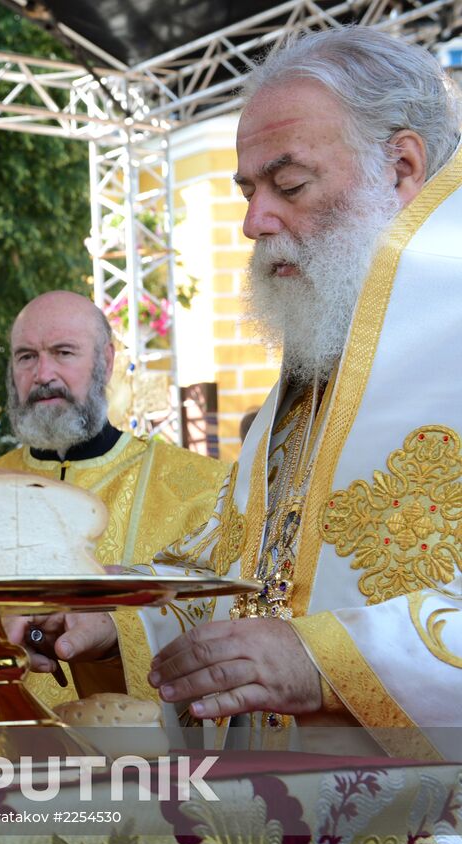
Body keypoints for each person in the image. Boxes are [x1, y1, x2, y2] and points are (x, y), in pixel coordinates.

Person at [31, 26, 462, 758]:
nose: (254, 221)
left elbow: (300, 636)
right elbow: (248, 585)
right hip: (288, 832)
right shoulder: (311, 379)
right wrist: (119, 625)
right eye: (249, 189)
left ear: (401, 167)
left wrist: (326, 663)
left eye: (288, 185)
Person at [0, 290, 228, 706]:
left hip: (144, 756)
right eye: (26, 356)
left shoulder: (200, 487)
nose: (43, 373)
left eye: (63, 352)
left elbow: (217, 623)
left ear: (106, 361)